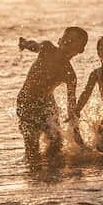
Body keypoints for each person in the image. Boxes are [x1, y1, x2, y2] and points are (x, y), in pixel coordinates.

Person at [16, 27, 88, 166]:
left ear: (80, 50)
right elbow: (35, 45)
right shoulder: (47, 48)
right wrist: (24, 44)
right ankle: (34, 173)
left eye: (74, 41)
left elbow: (71, 104)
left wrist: (76, 130)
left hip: (47, 104)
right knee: (32, 146)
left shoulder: (70, 74)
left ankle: (52, 171)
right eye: (67, 38)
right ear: (59, 40)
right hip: (26, 101)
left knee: (56, 142)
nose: (69, 41)